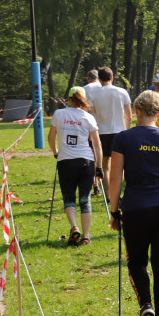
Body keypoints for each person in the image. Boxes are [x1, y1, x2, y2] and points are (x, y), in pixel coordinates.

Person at [108, 90, 159, 316]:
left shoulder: (123, 138)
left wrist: (113, 211)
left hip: (136, 206)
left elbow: (115, 178)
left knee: (137, 262)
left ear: (137, 110)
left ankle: (146, 303)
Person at [48, 87, 103, 246]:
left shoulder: (59, 114)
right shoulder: (89, 117)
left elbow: (51, 137)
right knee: (85, 199)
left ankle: (74, 227)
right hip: (86, 161)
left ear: (69, 99)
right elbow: (97, 145)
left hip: (66, 161)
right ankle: (86, 236)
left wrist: (55, 152)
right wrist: (99, 167)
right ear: (83, 100)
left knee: (69, 197)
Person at [87, 66, 132, 191]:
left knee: (105, 166)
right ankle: (118, 192)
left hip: (102, 132)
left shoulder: (93, 94)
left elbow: (92, 115)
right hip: (120, 132)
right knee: (120, 165)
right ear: (112, 78)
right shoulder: (122, 92)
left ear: (99, 79)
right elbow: (128, 116)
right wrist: (127, 131)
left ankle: (108, 196)